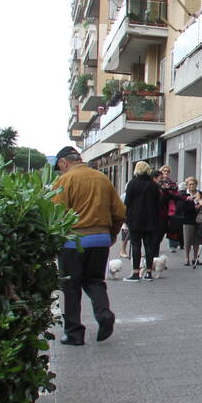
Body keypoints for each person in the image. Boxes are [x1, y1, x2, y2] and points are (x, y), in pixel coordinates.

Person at [51, 146, 125, 345]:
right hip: (100, 239)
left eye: (60, 168)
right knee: (94, 281)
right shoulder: (102, 179)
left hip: (72, 242)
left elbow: (54, 214)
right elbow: (119, 212)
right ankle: (104, 314)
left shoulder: (64, 181)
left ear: (63, 163)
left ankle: (74, 333)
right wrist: (111, 234)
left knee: (69, 287)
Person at [124, 161, 162, 281]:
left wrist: (125, 217)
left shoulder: (132, 183)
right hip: (151, 219)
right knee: (149, 245)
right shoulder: (153, 185)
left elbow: (127, 202)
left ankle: (136, 273)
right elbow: (158, 203)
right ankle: (149, 273)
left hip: (134, 219)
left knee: (136, 245)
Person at [166, 176, 201, 268]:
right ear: (187, 186)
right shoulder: (184, 195)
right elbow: (181, 208)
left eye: (193, 184)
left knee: (196, 241)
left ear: (196, 184)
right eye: (189, 184)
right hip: (187, 219)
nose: (192, 186)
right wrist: (194, 207)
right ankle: (186, 258)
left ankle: (195, 258)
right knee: (187, 240)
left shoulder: (200, 193)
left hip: (198, 220)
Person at [160, 165, 181, 253]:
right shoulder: (158, 182)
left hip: (172, 207)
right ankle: (156, 243)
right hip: (162, 207)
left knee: (172, 227)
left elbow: (177, 194)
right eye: (164, 171)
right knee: (160, 228)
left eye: (168, 171)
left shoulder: (172, 183)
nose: (166, 172)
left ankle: (173, 245)